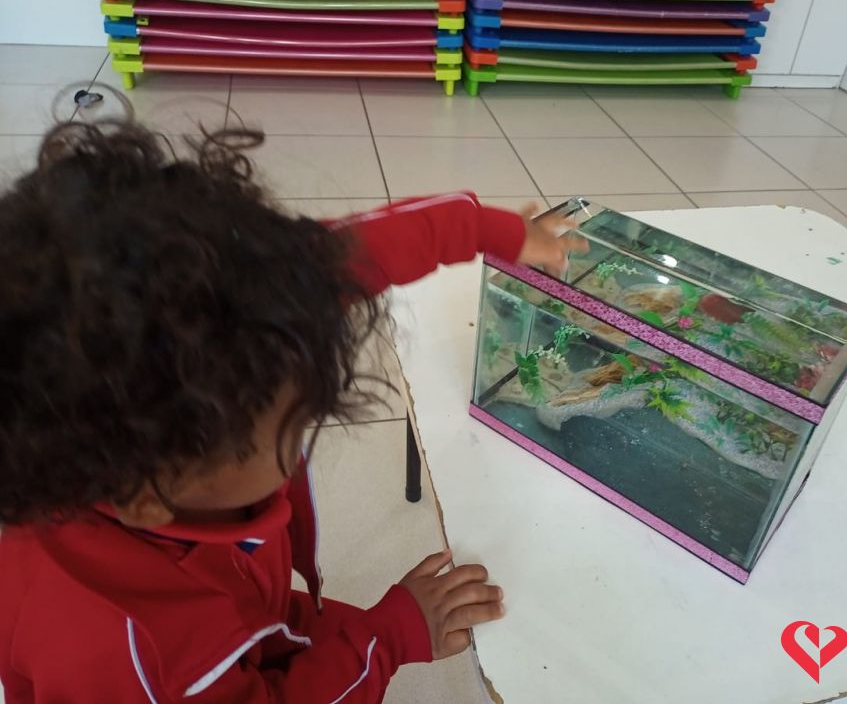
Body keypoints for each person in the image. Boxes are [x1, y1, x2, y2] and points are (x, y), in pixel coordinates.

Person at [0, 121, 585, 703]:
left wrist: (496, 231)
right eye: (292, 428)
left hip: (253, 609)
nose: (306, 436)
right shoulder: (138, 655)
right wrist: (388, 638)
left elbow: (360, 250)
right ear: (148, 496)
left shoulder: (234, 309)